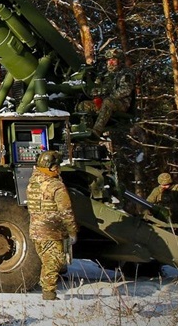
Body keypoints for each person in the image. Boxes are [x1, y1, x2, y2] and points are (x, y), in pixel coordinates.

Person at [27, 150, 78, 301]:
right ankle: (49, 295)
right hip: (52, 231)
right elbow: (66, 211)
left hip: (36, 231)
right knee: (53, 262)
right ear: (52, 167)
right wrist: (72, 231)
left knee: (47, 262)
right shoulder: (56, 186)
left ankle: (47, 292)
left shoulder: (33, 183)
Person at [90, 48, 135, 136]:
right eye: (109, 60)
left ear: (120, 61)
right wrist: (97, 94)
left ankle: (96, 131)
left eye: (113, 60)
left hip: (121, 103)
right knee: (83, 105)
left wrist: (109, 96)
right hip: (104, 101)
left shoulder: (126, 73)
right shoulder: (103, 75)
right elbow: (95, 89)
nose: (110, 62)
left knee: (108, 102)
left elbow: (126, 90)